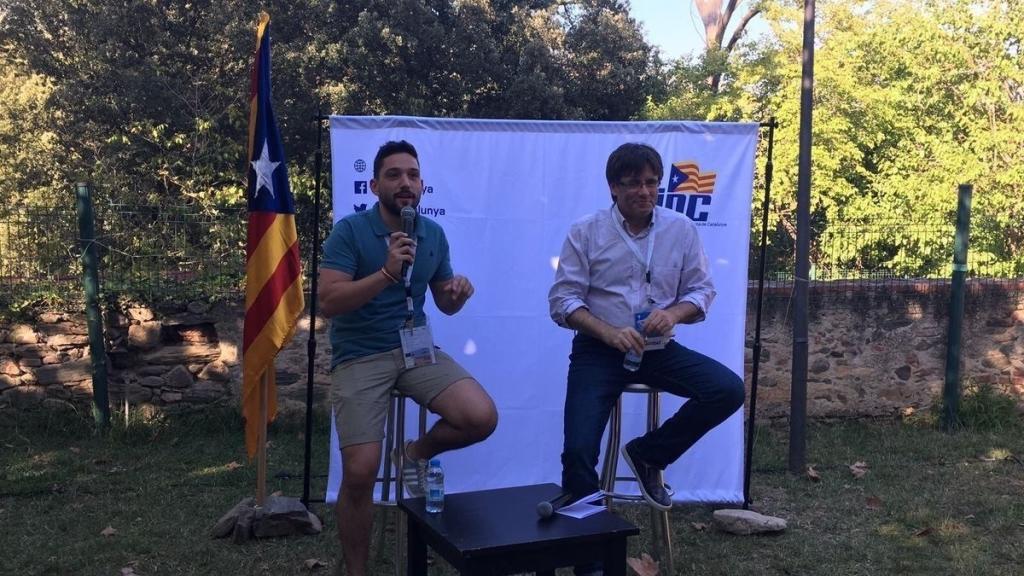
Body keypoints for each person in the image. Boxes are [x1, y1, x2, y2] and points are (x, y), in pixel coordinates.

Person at [319, 140, 498, 576]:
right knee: (361, 472)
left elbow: (444, 303)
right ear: (374, 184)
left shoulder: (432, 234)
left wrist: (457, 294)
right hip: (360, 355)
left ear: (422, 186)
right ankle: (357, 572)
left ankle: (414, 454)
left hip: (416, 350)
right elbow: (329, 302)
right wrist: (385, 272)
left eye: (413, 175)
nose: (405, 183)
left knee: (481, 417)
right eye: (394, 175)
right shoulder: (350, 231)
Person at [548, 142, 745, 513]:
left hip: (657, 349)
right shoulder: (586, 231)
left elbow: (702, 290)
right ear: (613, 187)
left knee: (727, 390)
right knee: (577, 452)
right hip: (598, 351)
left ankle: (648, 455)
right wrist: (607, 332)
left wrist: (673, 315)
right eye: (633, 183)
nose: (644, 191)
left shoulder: (680, 229)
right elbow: (563, 301)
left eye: (652, 182)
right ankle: (592, 545)